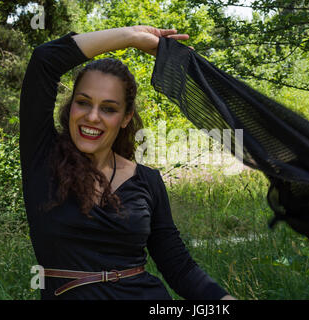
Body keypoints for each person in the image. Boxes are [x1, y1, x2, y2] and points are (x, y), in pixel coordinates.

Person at [19, 25, 235, 300]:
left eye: (108, 108)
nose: (93, 117)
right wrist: (131, 37)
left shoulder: (147, 181)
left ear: (125, 118)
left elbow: (179, 268)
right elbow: (44, 60)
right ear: (70, 105)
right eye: (83, 102)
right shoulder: (43, 159)